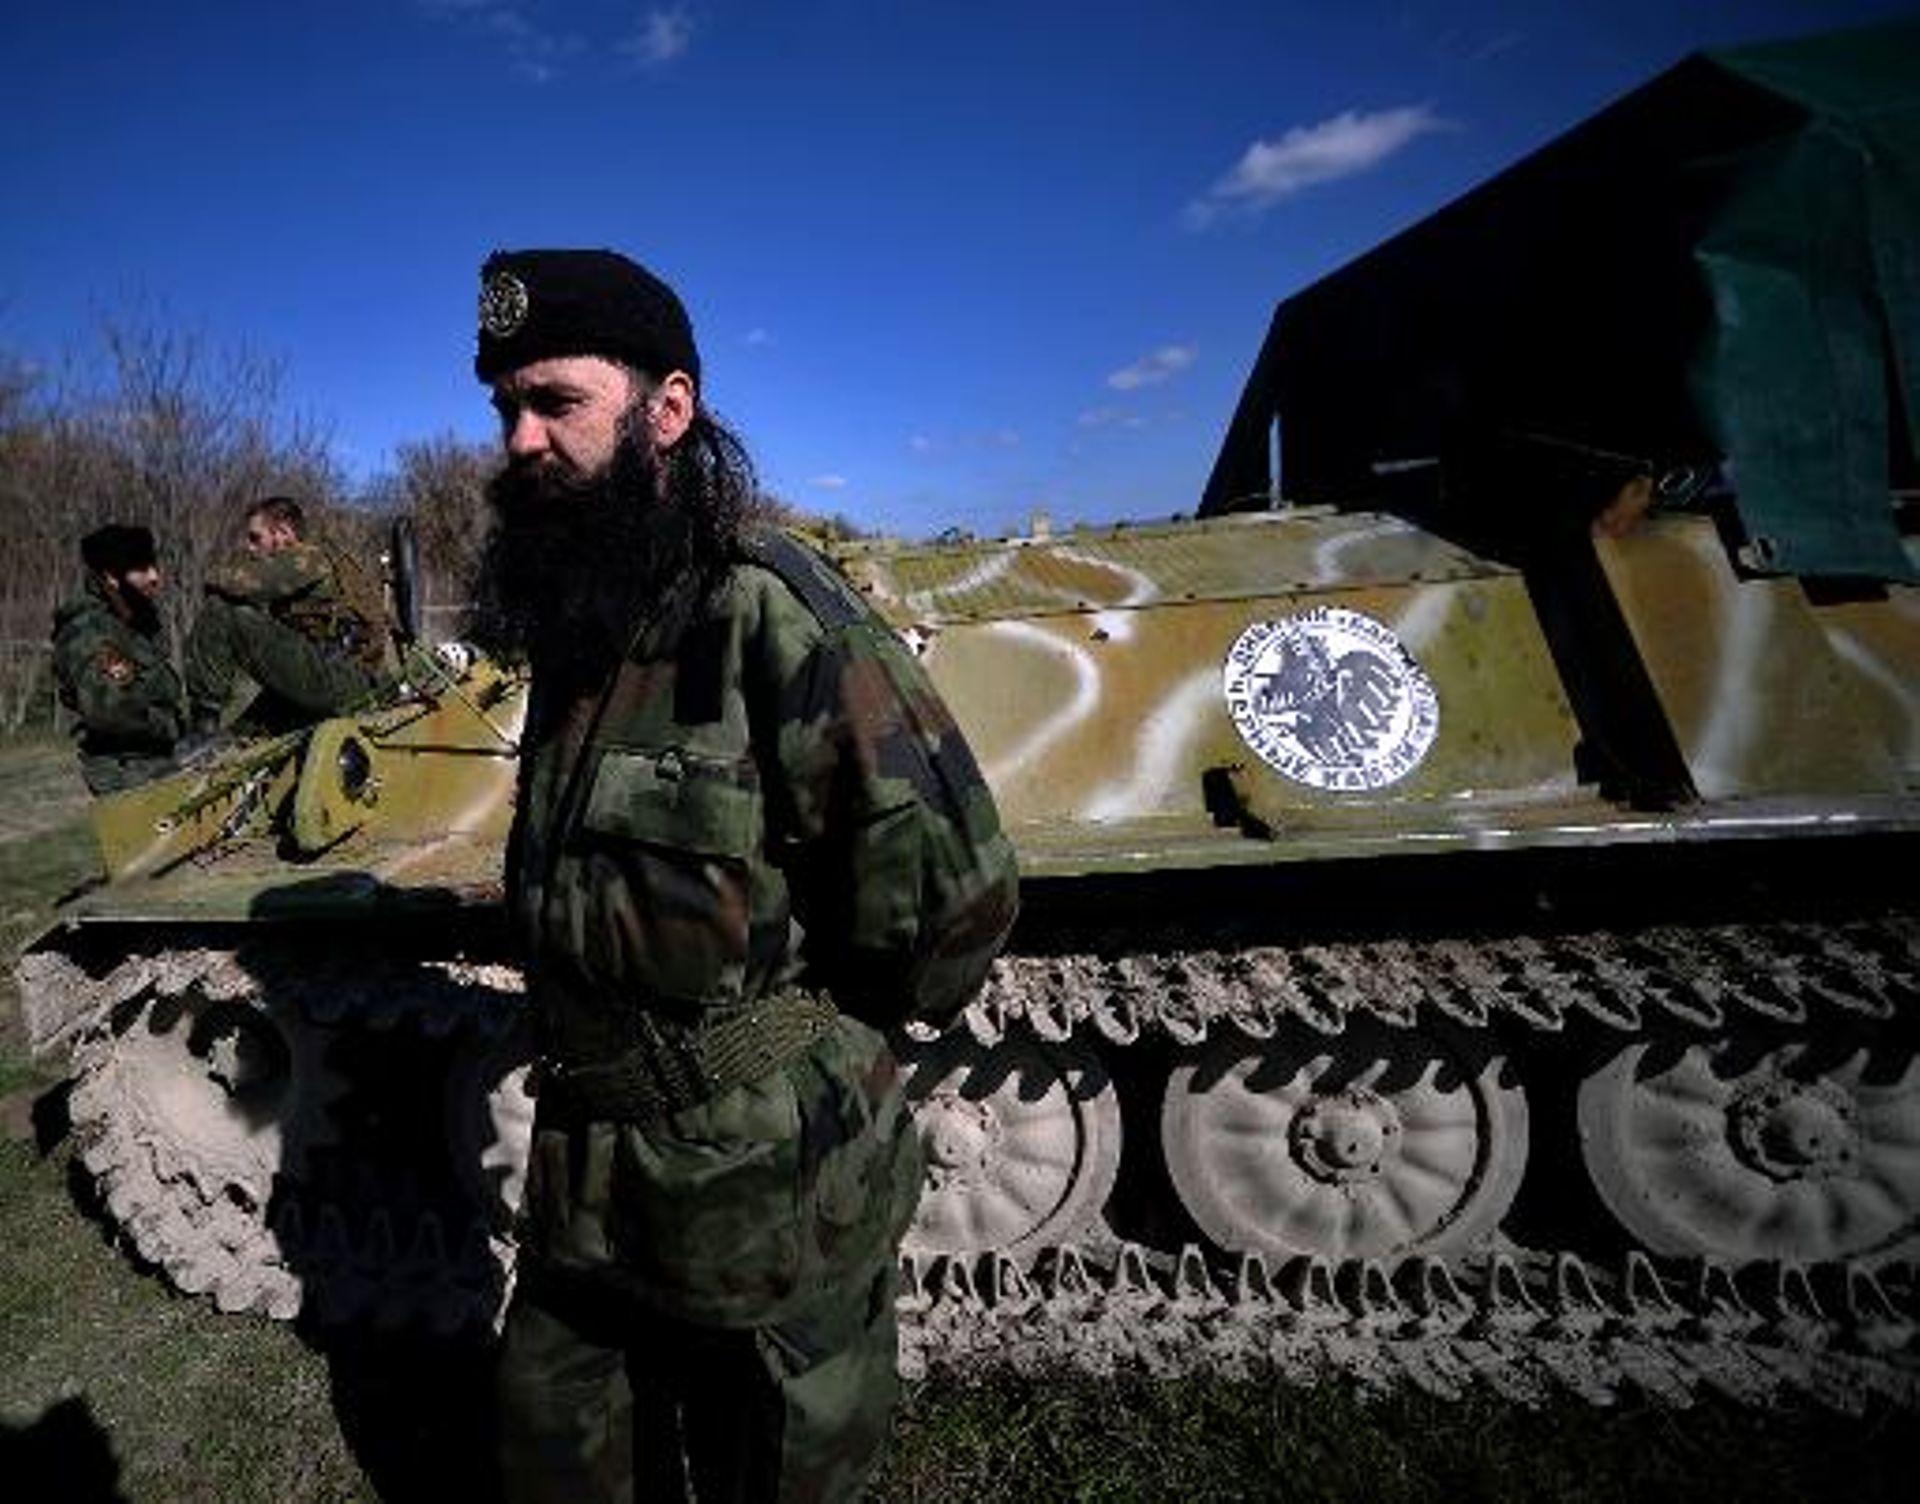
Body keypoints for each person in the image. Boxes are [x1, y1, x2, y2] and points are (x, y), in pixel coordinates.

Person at [474, 246, 1020, 1503]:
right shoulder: (581, 615)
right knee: (550, 1447)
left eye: (554, 402)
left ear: (667, 408)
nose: (518, 440)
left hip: (763, 1188)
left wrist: (799, 1059)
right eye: (504, 407)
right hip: (586, 1168)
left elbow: (953, 899)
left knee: (772, 1465)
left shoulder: (770, 613)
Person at [183, 494, 390, 736]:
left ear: (283, 533)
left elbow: (237, 583)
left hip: (341, 680)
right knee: (238, 739)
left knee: (222, 611)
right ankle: (208, 741)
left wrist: (208, 576)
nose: (250, 548)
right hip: (337, 677)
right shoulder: (316, 564)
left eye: (256, 538)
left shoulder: (308, 558)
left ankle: (202, 727)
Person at [51, 523, 185, 793]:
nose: (154, 576)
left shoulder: (130, 622)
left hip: (154, 761)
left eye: (153, 565)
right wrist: (172, 727)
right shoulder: (90, 631)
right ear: (111, 576)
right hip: (127, 773)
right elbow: (110, 711)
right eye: (141, 568)